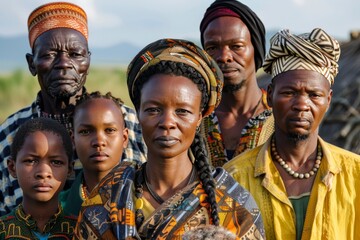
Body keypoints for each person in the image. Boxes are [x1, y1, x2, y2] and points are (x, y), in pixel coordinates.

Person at [74, 39, 265, 239]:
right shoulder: (104, 201)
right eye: (153, 110)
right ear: (138, 113)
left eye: (182, 111)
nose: (167, 122)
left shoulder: (234, 206)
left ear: (200, 117)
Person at [0, 2, 146, 216]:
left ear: (88, 60)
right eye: (50, 55)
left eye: (76, 54)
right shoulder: (11, 133)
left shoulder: (127, 121)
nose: (64, 64)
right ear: (32, 64)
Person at [224, 28, 360, 240]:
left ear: (329, 100)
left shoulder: (356, 175)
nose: (302, 105)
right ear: (269, 96)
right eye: (289, 93)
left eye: (314, 95)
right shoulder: (233, 180)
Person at [199, 0, 274, 167]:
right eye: (212, 48)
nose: (224, 56)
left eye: (236, 46)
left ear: (256, 50)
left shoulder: (280, 120)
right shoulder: (193, 119)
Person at [0, 118, 77, 239]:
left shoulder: (81, 230)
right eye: (31, 161)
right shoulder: (3, 230)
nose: (43, 172)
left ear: (69, 169)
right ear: (12, 167)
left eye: (56, 162)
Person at [59, 91, 129, 217]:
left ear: (124, 138)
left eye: (109, 130)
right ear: (73, 140)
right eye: (86, 132)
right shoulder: (57, 207)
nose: (99, 142)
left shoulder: (144, 200)